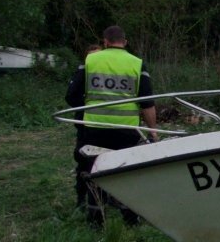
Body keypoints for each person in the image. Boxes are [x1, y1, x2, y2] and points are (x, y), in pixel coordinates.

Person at [65, 26, 159, 226]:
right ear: (125, 42)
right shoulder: (137, 63)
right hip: (126, 131)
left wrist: (84, 111)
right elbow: (148, 103)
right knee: (126, 174)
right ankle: (131, 220)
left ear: (105, 41)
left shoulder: (91, 61)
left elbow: (72, 95)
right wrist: (152, 130)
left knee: (95, 171)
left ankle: (95, 221)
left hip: (94, 129)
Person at [66, 44, 101, 208]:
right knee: (85, 161)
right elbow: (71, 96)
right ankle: (82, 198)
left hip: (107, 123)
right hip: (86, 123)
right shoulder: (82, 72)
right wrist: (87, 106)